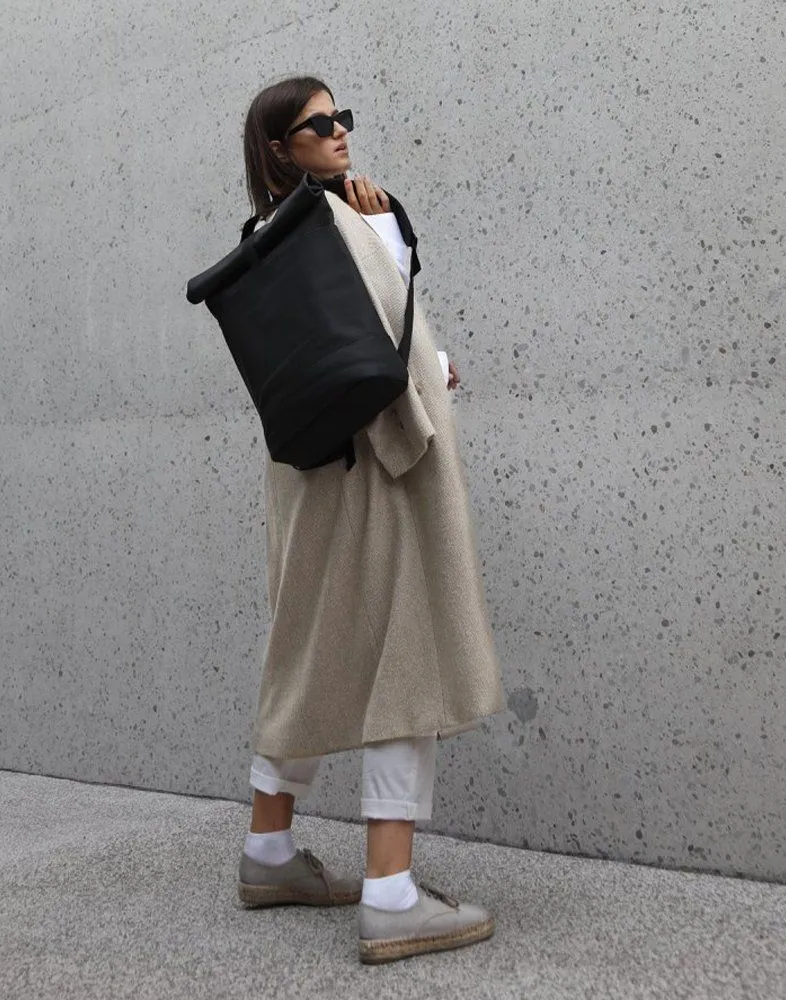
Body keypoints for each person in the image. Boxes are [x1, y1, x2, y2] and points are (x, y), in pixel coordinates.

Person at [235, 76, 506, 965]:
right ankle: (391, 895)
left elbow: (343, 342)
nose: (340, 132)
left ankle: (269, 849)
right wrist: (387, 236)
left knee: (311, 648)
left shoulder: (264, 237)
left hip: (310, 474)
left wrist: (431, 357)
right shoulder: (343, 221)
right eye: (319, 123)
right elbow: (390, 333)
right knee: (408, 648)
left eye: (342, 117)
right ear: (282, 147)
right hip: (383, 469)